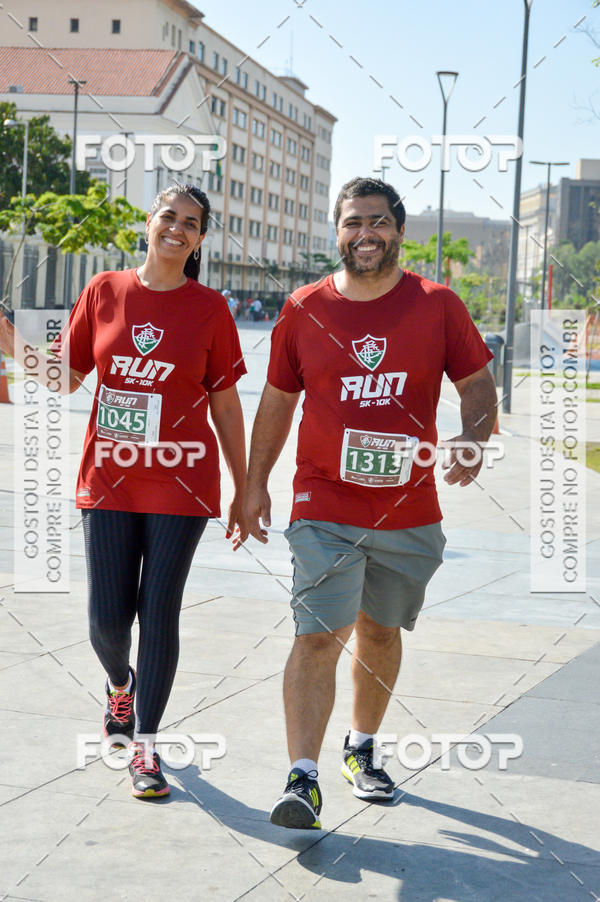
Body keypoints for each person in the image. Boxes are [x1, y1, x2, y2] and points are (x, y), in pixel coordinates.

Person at [243, 177, 497, 829]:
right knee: (320, 633)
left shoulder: (437, 306)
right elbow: (277, 402)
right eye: (353, 222)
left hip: (408, 511)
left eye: (378, 222)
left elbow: (477, 385)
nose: (366, 234)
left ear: (399, 231)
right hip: (322, 503)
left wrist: (472, 437)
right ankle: (302, 779)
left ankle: (362, 749)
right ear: (337, 231)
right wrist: (253, 483)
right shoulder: (303, 308)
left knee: (381, 631)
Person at [0, 184, 248, 799]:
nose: (178, 228)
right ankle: (119, 685)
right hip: (107, 479)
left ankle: (147, 746)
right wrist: (11, 344)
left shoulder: (210, 308)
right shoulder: (105, 291)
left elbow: (225, 402)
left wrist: (247, 487)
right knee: (106, 620)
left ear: (200, 239)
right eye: (170, 216)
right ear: (148, 221)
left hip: (183, 482)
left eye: (192, 223)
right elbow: (67, 378)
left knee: (158, 610)